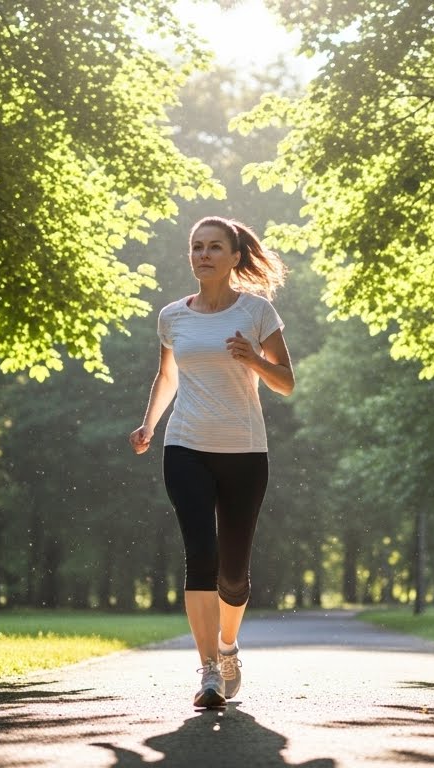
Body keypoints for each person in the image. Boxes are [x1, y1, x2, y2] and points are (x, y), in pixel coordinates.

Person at [129, 215, 294, 708]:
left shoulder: (258, 312)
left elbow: (286, 382)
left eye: (214, 247)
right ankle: (207, 672)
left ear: (235, 257)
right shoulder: (172, 316)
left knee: (234, 574)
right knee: (201, 555)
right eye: (197, 247)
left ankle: (227, 647)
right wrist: (149, 424)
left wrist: (254, 359)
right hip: (185, 446)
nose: (203, 254)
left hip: (245, 451)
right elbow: (167, 377)